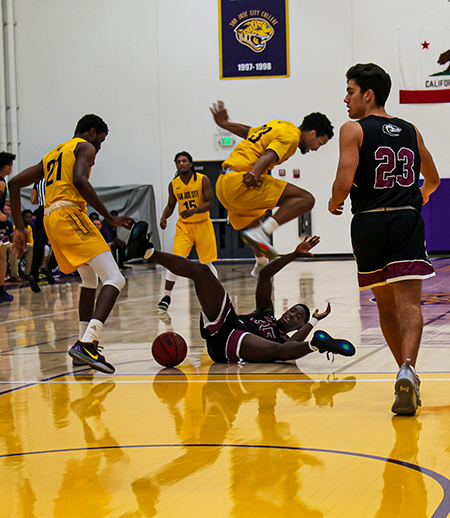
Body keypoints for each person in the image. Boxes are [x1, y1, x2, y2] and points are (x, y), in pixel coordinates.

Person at [328, 63, 440, 416]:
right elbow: (433, 179)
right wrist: (412, 201)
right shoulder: (410, 130)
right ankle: (408, 367)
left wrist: (334, 201)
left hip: (369, 223)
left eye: (350, 91)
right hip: (406, 220)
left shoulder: (353, 129)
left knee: (386, 305)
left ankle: (404, 373)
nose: (345, 98)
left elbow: (344, 180)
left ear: (368, 94)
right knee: (410, 305)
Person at [9, 114, 135, 374]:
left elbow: (14, 183)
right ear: (91, 132)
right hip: (69, 214)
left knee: (89, 280)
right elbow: (79, 179)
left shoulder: (55, 153)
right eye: (100, 142)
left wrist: (20, 229)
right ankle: (88, 342)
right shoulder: (84, 146)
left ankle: (82, 352)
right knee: (115, 278)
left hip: (50, 217)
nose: (98, 149)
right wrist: (109, 217)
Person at [144, 236, 355, 363]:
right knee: (203, 272)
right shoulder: (266, 311)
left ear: (300, 326)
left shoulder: (285, 339)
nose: (292, 314)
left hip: (230, 344)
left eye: (298, 316)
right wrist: (294, 254)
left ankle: (317, 346)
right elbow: (265, 274)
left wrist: (314, 322)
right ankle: (148, 251)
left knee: (279, 352)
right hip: (225, 324)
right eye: (292, 310)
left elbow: (291, 345)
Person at [210, 100, 334, 275]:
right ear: (312, 134)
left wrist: (225, 124)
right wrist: (254, 173)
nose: (316, 149)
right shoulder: (291, 138)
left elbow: (248, 132)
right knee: (306, 199)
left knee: (255, 219)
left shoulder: (279, 125)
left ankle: (261, 262)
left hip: (224, 184)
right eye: (319, 144)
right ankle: (264, 232)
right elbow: (269, 155)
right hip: (242, 180)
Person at [158, 151, 218, 311]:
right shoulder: (174, 184)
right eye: (178, 162)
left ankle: (218, 293)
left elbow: (210, 202)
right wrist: (164, 217)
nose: (181, 164)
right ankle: (166, 296)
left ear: (191, 164)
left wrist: (194, 211)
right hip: (184, 226)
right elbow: (171, 205)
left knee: (206, 262)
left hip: (202, 223)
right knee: (176, 260)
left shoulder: (202, 179)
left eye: (184, 161)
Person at [29, 178, 55, 292]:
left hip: (40, 211)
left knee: (39, 245)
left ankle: (33, 274)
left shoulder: (37, 182)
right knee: (59, 242)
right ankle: (49, 267)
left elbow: (33, 200)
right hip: (53, 210)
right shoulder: (55, 178)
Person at [0, 152, 16, 303]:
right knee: (2, 258)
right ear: (6, 167)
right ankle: (0, 291)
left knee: (3, 257)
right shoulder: (1, 183)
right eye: (11, 165)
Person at [8, 209, 34, 282]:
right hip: (14, 246)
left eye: (30, 217)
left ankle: (27, 274)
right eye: (27, 217)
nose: (29, 219)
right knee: (13, 247)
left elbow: (31, 241)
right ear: (22, 218)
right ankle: (14, 275)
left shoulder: (29, 228)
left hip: (23, 247)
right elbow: (13, 240)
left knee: (31, 247)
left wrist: (24, 246)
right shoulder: (15, 227)